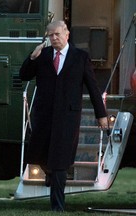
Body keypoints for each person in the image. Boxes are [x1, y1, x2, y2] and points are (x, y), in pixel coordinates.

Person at [19, 20, 109, 212]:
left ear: (67, 34)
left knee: (60, 161)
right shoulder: (42, 55)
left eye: (57, 34)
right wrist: (32, 57)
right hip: (44, 116)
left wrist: (101, 114)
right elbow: (24, 75)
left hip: (67, 118)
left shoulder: (80, 57)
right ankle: (50, 173)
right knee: (37, 155)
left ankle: (57, 207)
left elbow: (93, 88)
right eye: (50, 35)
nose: (54, 38)